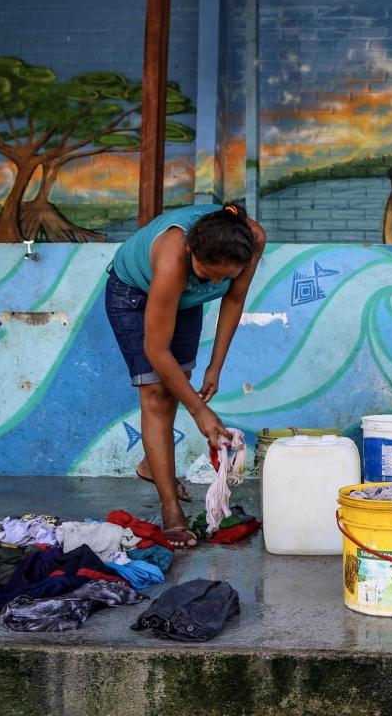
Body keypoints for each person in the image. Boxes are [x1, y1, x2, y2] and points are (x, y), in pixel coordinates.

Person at [105, 202, 266, 549]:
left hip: (185, 300)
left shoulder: (252, 240)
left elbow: (234, 301)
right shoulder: (172, 256)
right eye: (210, 275)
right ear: (192, 251)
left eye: (227, 276)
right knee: (157, 393)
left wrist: (215, 367)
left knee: (178, 381)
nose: (219, 283)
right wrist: (200, 412)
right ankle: (170, 509)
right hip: (133, 292)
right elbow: (156, 350)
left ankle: (153, 463)